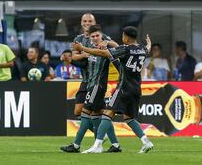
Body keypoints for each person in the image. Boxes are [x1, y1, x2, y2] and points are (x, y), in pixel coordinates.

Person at [72, 26, 153, 154]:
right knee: (129, 118)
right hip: (136, 89)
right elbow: (148, 48)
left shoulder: (125, 50)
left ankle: (97, 145)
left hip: (123, 88)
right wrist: (149, 43)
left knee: (106, 114)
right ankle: (146, 142)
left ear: (126, 37)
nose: (122, 38)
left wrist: (82, 48)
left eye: (122, 36)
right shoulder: (142, 49)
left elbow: (103, 53)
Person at [61, 25, 120, 153]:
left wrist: (107, 42)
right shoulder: (92, 49)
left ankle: (76, 145)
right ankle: (115, 145)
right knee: (99, 115)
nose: (94, 38)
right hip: (91, 85)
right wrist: (71, 59)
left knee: (85, 113)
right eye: (92, 36)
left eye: (97, 36)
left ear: (102, 36)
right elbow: (83, 63)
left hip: (98, 85)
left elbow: (118, 47)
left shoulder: (105, 47)